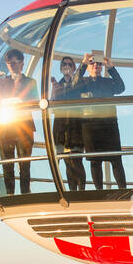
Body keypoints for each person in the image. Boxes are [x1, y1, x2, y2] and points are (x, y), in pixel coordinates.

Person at [70, 51, 127, 190]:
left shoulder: (108, 82)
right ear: (88, 67)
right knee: (95, 160)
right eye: (92, 63)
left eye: (99, 63)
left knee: (116, 159)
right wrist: (83, 64)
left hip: (109, 124)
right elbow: (73, 85)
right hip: (90, 125)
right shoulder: (82, 83)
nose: (96, 65)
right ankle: (99, 191)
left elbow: (121, 88)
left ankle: (123, 190)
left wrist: (111, 67)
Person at [0, 49, 39, 195]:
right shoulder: (2, 82)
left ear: (22, 64)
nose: (13, 65)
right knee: (7, 164)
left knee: (25, 165)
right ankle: (10, 194)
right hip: (5, 126)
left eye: (16, 62)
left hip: (24, 126)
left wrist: (21, 98)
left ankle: (25, 195)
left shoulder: (30, 82)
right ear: (7, 64)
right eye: (10, 62)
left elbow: (35, 102)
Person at [49, 55, 85, 191]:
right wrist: (54, 89)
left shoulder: (78, 83)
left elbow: (76, 89)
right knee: (67, 162)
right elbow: (53, 104)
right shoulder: (57, 84)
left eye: (70, 64)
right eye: (64, 64)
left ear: (74, 68)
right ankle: (72, 192)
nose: (67, 66)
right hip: (61, 128)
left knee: (76, 161)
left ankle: (81, 192)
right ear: (61, 67)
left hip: (75, 127)